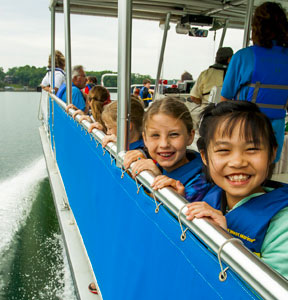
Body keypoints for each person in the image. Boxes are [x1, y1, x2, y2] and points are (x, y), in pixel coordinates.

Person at [185, 100, 288, 279]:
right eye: (224, 150)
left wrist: (224, 241)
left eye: (252, 149)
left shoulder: (282, 225)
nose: (238, 162)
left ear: (272, 153)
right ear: (205, 157)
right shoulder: (208, 194)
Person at [221, 2, 288, 162]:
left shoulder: (243, 57)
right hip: (276, 128)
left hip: (245, 126)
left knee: (243, 170)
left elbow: (224, 99)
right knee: (267, 168)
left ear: (255, 27)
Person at [124, 97, 210, 202]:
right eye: (155, 135)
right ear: (145, 139)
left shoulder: (203, 182)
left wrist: (157, 180)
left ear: (190, 136)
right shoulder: (154, 166)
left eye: (174, 134)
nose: (164, 144)